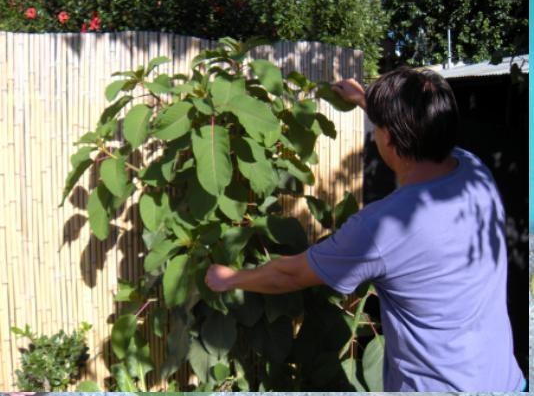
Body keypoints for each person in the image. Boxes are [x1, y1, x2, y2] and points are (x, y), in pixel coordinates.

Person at [204, 67, 526, 392]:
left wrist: (230, 279)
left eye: (378, 126)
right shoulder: (474, 171)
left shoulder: (381, 227)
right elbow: (418, 133)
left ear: (387, 137)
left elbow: (290, 275)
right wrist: (364, 101)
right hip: (506, 381)